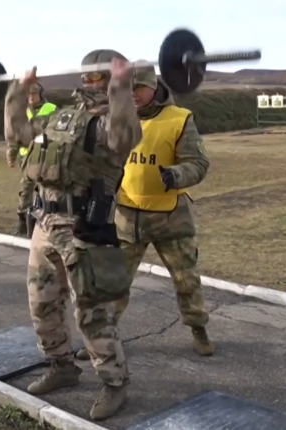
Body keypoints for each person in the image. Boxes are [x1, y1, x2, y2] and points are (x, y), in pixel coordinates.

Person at [3, 49, 142, 421]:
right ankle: (61, 366)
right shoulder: (62, 116)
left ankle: (116, 384)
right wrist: (18, 92)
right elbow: (18, 134)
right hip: (45, 224)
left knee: (92, 311)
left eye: (96, 77)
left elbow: (125, 138)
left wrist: (120, 88)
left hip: (84, 227)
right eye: (86, 76)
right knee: (42, 303)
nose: (87, 82)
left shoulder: (112, 121)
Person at [75, 62, 214, 361]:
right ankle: (103, 340)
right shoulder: (114, 118)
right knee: (114, 283)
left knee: (186, 279)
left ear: (155, 87)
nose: (134, 95)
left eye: (139, 88)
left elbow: (199, 163)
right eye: (128, 89)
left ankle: (198, 328)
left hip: (170, 217)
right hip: (126, 215)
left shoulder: (179, 119)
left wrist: (177, 175)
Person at [6, 83, 57, 237]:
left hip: (45, 154)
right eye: (28, 94)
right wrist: (12, 153)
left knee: (47, 188)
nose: (31, 97)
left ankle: (45, 220)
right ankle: (23, 220)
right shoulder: (22, 111)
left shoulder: (51, 109)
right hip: (26, 157)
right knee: (27, 189)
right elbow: (15, 134)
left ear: (40, 94)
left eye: (34, 94)